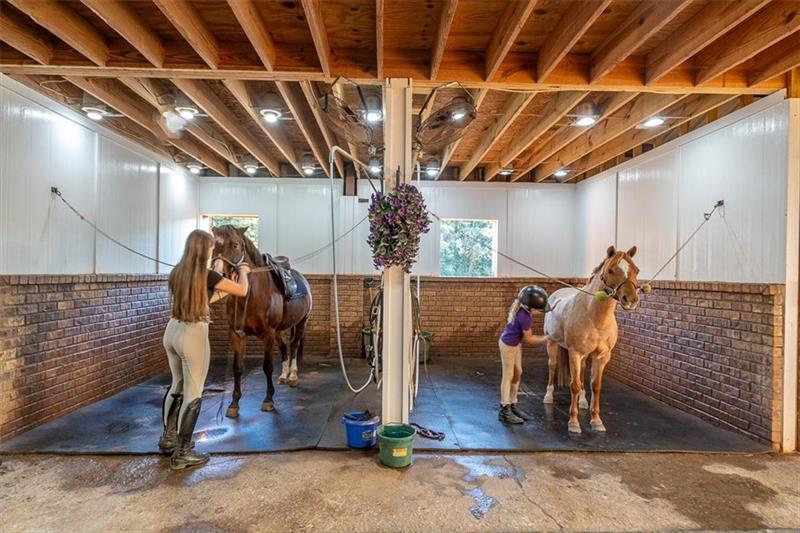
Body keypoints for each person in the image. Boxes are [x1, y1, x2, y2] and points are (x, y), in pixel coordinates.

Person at [159, 229, 250, 470]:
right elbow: (243, 290)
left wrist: (224, 287)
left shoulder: (177, 272)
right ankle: (183, 452)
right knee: (193, 392)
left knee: (177, 385)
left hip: (172, 330)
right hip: (193, 333)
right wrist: (243, 272)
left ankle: (168, 439)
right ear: (204, 250)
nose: (212, 252)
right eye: (211, 248)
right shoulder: (207, 274)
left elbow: (202, 298)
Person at [498, 285, 550, 424]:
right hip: (508, 345)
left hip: (515, 344)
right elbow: (530, 339)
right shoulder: (524, 317)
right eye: (538, 309)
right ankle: (504, 409)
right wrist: (546, 339)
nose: (540, 312)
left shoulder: (524, 310)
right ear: (530, 307)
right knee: (508, 375)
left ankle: (512, 403)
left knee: (518, 372)